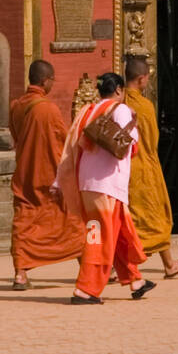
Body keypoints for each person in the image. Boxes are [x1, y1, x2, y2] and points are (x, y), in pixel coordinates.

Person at [54, 70, 151, 304]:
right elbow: (132, 145)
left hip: (88, 183)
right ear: (118, 90)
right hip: (109, 185)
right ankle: (86, 289)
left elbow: (71, 147)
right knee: (100, 238)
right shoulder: (120, 110)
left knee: (117, 233)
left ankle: (135, 280)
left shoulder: (87, 111)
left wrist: (60, 180)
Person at [9, 60, 84, 290]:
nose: (53, 84)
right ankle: (91, 266)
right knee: (73, 220)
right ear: (45, 80)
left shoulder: (16, 106)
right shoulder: (47, 109)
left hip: (24, 173)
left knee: (24, 221)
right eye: (52, 80)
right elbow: (62, 141)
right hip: (48, 175)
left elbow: (17, 136)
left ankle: (20, 274)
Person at [123, 56, 178, 279]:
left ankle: (168, 263)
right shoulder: (143, 106)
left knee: (130, 218)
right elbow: (152, 139)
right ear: (142, 79)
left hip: (122, 169)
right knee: (154, 216)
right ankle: (166, 264)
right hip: (143, 166)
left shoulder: (120, 103)